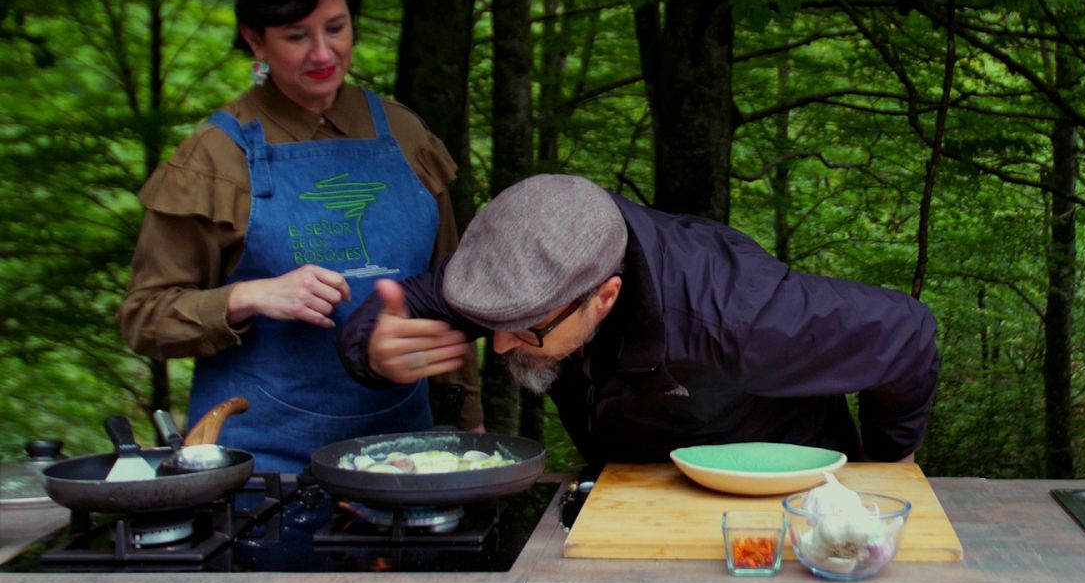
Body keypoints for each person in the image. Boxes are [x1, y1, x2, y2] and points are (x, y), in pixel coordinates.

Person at [119, 0, 480, 472]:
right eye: (296, 35)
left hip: (409, 463)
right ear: (254, 40)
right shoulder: (214, 157)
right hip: (258, 470)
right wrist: (247, 296)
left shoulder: (407, 136)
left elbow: (455, 293)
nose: (323, 53)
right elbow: (144, 318)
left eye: (336, 28)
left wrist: (467, 424)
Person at [337, 174, 941, 465]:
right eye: (486, 323)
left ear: (605, 296)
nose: (496, 347)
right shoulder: (528, 259)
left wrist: (885, 467)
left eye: (527, 332)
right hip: (639, 491)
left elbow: (908, 334)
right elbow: (403, 302)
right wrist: (372, 349)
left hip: (782, 489)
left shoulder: (738, 314)